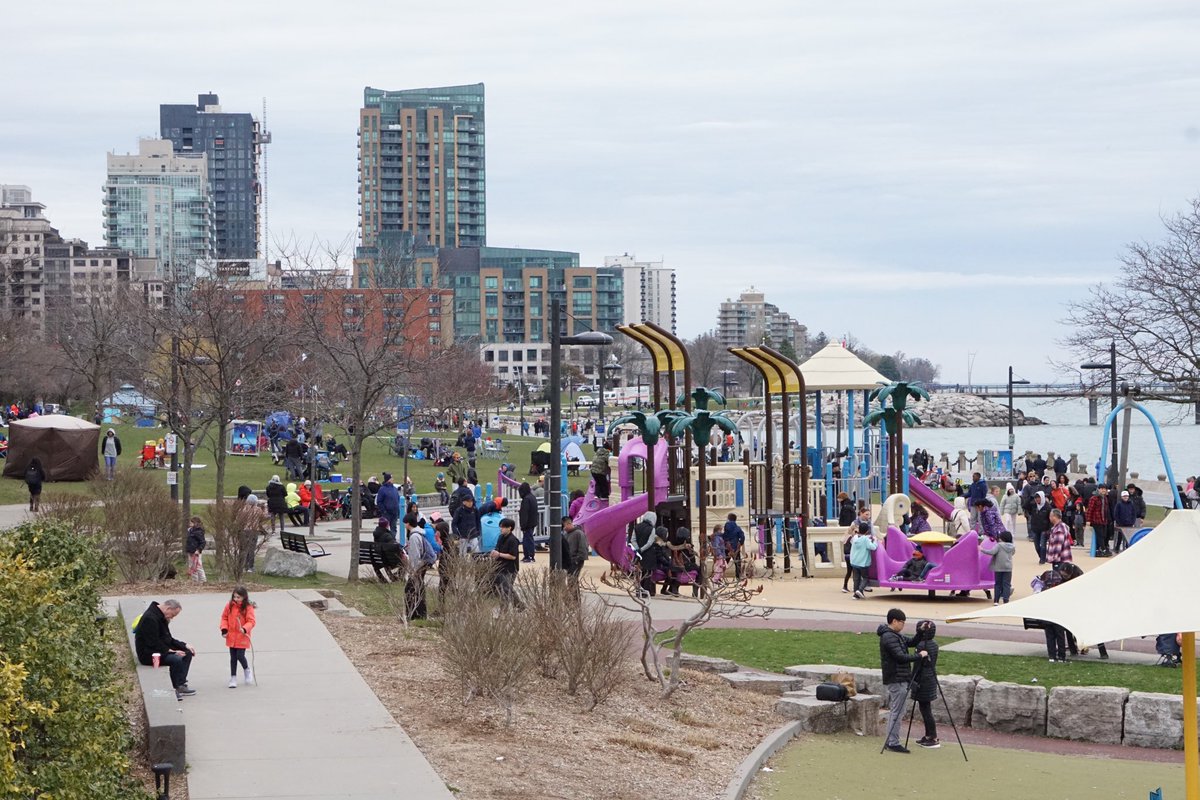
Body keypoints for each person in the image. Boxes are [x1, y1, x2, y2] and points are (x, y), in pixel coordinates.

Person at [878, 608, 927, 754]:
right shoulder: (889, 637)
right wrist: (919, 656)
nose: (903, 625)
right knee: (897, 711)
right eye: (902, 622)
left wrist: (920, 631)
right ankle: (892, 742)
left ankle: (892, 740)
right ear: (894, 621)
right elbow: (900, 657)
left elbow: (911, 642)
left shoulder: (896, 635)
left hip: (901, 677)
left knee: (899, 710)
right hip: (896, 678)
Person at [133, 599, 197, 700]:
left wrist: (184, 645)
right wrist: (170, 651)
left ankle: (180, 683)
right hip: (149, 654)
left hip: (159, 649)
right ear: (168, 608)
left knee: (187, 653)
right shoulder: (150, 618)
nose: (172, 617)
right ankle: (175, 687)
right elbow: (152, 642)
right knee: (176, 659)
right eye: (173, 614)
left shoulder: (161, 617)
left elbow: (168, 639)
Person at [907, 619, 942, 748]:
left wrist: (912, 680)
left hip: (923, 679)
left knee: (925, 709)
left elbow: (917, 665)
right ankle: (929, 735)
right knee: (926, 708)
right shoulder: (934, 644)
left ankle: (932, 737)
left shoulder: (921, 646)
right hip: (930, 678)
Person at [220, 587, 256, 688]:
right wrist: (224, 629)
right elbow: (224, 618)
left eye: (238, 597)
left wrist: (245, 628)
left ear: (244, 597)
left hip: (242, 636)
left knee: (240, 655)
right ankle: (233, 677)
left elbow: (251, 621)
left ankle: (247, 670)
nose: (236, 599)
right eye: (234, 597)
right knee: (233, 657)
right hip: (231, 636)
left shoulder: (248, 607)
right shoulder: (229, 606)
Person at [405, 514, 432, 619]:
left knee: (411, 589)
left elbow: (415, 555)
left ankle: (415, 613)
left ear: (408, 523)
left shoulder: (414, 536)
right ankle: (420, 613)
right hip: (422, 565)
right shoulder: (419, 533)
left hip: (418, 567)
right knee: (418, 588)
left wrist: (413, 570)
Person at [490, 517, 521, 607]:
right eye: (500, 527)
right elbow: (497, 548)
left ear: (509, 528)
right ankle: (518, 605)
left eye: (503, 527)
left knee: (506, 589)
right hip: (501, 567)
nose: (501, 529)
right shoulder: (501, 537)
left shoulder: (513, 540)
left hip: (510, 568)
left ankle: (510, 608)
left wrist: (499, 554)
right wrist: (494, 553)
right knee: (505, 589)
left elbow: (513, 556)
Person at [980, 530, 1015, 604]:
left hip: (998, 567)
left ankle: (996, 600)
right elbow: (1013, 553)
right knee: (1006, 584)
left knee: (998, 584)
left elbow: (992, 552)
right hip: (1008, 567)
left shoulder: (999, 545)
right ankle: (1006, 600)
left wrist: (982, 550)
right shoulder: (1012, 546)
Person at [848, 521, 877, 599]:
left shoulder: (854, 538)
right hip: (863, 562)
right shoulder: (865, 539)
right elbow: (873, 547)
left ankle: (855, 594)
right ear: (867, 531)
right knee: (865, 577)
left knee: (856, 578)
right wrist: (875, 541)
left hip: (854, 561)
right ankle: (860, 590)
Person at [1086, 484, 1113, 557]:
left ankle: (1099, 549)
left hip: (1104, 520)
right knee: (1100, 535)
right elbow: (1090, 509)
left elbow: (1106, 510)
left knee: (1104, 535)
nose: (1103, 490)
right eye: (1102, 489)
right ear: (1098, 489)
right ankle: (1102, 549)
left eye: (1105, 489)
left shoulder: (1105, 498)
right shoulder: (1094, 498)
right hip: (1096, 520)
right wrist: (1088, 520)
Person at [1028, 491, 1054, 564]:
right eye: (1035, 498)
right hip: (1035, 528)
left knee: (1043, 545)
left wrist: (1049, 529)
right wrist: (1030, 498)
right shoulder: (1033, 505)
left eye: (1038, 498)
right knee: (1037, 546)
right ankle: (1042, 557)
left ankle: (1042, 560)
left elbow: (1051, 519)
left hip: (1044, 529)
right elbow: (1025, 506)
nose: (1037, 500)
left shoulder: (1048, 507)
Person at [563, 515, 590, 583]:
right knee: (571, 580)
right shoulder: (566, 534)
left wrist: (577, 559)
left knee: (572, 579)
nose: (564, 528)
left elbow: (583, 547)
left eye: (564, 526)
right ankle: (574, 593)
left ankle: (575, 593)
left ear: (569, 523)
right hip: (569, 560)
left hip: (576, 560)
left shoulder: (579, 533)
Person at [518, 481, 539, 563]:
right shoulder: (532, 497)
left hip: (527, 523)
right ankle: (529, 555)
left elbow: (525, 513)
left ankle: (529, 555)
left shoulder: (526, 500)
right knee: (529, 538)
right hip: (532, 522)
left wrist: (523, 525)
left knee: (527, 540)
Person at [722, 513, 746, 579]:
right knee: (737, 562)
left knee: (725, 562)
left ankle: (720, 575)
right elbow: (742, 537)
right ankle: (738, 576)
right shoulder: (738, 528)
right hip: (735, 547)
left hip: (727, 547)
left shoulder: (726, 527)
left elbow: (724, 536)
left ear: (729, 519)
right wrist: (740, 543)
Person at [186, 516, 207, 583]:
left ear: (196, 523)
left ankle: (203, 581)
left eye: (191, 522)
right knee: (192, 567)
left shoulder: (199, 531)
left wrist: (198, 550)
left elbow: (203, 542)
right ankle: (195, 581)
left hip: (196, 552)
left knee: (198, 566)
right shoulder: (190, 530)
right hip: (190, 551)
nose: (190, 523)